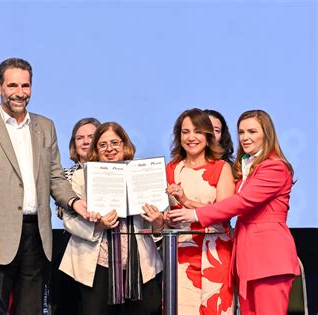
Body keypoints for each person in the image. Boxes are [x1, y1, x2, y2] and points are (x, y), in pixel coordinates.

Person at [0, 57, 93, 314]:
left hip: (37, 237)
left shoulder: (45, 126)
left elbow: (55, 177)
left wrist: (76, 202)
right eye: (13, 86)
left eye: (26, 86)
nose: (20, 93)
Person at [168, 109, 300, 315]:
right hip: (246, 261)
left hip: (269, 259)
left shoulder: (275, 167)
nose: (245, 137)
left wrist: (194, 215)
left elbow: (241, 202)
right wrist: (186, 201)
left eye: (252, 132)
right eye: (241, 132)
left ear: (267, 133)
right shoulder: (247, 166)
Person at [59, 122, 163, 315]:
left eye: (115, 143)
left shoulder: (141, 174)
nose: (109, 149)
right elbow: (69, 220)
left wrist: (158, 222)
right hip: (95, 264)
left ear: (125, 145)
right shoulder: (81, 177)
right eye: (103, 145)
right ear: (96, 150)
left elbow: (155, 227)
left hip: (140, 264)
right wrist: (97, 226)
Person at [164, 108, 236, 314]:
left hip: (215, 252)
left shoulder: (221, 167)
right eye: (185, 132)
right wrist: (159, 217)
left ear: (207, 135)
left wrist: (187, 201)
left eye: (197, 131)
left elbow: (225, 210)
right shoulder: (171, 168)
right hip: (179, 256)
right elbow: (166, 214)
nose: (191, 137)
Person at [51, 117, 101, 315]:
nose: (85, 141)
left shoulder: (117, 170)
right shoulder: (64, 175)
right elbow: (62, 208)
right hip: (75, 247)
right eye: (79, 137)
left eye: (91, 136)